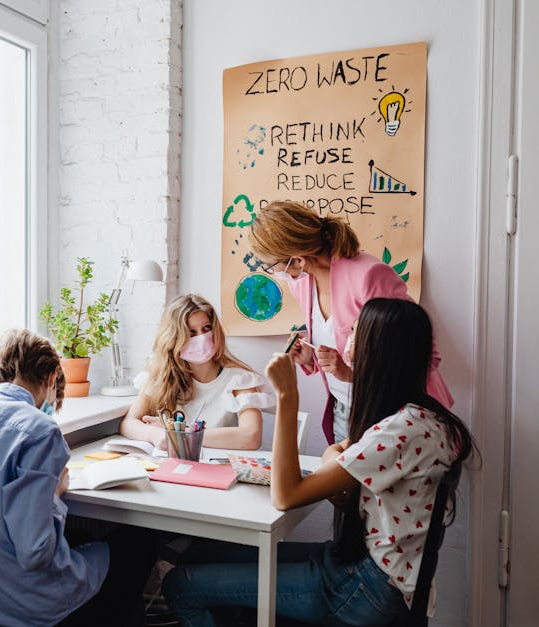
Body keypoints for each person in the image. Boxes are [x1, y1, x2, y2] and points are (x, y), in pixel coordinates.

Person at [162, 298, 476, 626]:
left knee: (182, 585)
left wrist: (288, 396)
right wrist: (333, 455)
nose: (346, 343)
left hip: (368, 585)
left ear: (379, 351)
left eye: (355, 333)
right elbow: (342, 466)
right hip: (370, 569)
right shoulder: (420, 418)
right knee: (199, 555)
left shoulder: (401, 429)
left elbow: (287, 495)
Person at [0, 329, 155, 627]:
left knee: (81, 538)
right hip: (32, 606)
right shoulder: (40, 431)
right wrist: (54, 496)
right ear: (52, 377)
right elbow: (36, 553)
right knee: (139, 542)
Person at [249, 200, 453, 444]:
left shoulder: (368, 275)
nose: (277, 274)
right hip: (344, 412)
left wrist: (349, 374)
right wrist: (310, 358)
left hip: (396, 415)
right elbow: (341, 346)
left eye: (274, 266)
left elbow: (424, 356)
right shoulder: (301, 282)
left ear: (298, 260)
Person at [119, 294, 272, 450]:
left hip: (220, 470)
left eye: (206, 328)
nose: (202, 338)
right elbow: (128, 423)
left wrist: (179, 432)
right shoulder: (161, 375)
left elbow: (251, 437)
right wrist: (155, 435)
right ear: (173, 338)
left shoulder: (240, 379)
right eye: (191, 332)